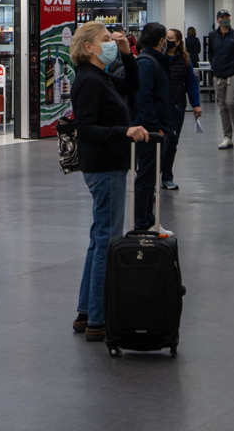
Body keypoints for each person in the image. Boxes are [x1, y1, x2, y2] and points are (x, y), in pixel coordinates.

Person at [66, 21, 148, 343]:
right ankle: (98, 319)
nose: (111, 42)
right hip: (105, 167)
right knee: (107, 241)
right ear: (89, 47)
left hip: (107, 166)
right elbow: (85, 128)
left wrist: (127, 54)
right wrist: (124, 131)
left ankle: (86, 312)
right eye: (105, 39)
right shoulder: (89, 80)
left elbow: (133, 85)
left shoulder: (100, 76)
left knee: (98, 238)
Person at [132, 22, 175, 231]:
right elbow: (143, 97)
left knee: (151, 178)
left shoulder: (154, 61)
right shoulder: (147, 63)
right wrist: (155, 128)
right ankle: (142, 224)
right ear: (160, 40)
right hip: (149, 132)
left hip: (158, 129)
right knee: (146, 177)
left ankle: (149, 221)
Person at [161, 27, 202, 190]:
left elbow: (191, 82)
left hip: (178, 106)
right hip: (160, 106)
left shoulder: (185, 60)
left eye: (170, 38)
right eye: (165, 37)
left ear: (178, 42)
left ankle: (167, 177)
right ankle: (152, 176)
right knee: (159, 142)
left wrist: (196, 104)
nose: (167, 40)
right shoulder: (158, 57)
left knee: (172, 142)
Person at [209, 9, 234, 150]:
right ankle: (227, 137)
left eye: (227, 17)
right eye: (222, 17)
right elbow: (210, 53)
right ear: (218, 20)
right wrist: (214, 66)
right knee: (223, 106)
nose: (225, 19)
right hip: (218, 75)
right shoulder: (213, 35)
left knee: (231, 102)